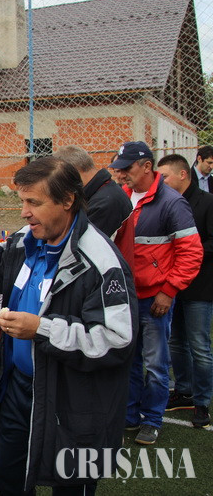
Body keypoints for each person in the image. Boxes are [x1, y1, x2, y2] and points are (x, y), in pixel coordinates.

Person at [0, 157, 137, 495]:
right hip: (20, 387)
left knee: (72, 485)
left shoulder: (101, 262)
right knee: (7, 472)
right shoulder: (29, 238)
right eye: (23, 201)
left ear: (67, 200)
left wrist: (42, 328)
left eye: (33, 202)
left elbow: (116, 339)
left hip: (73, 399)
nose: (24, 212)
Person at [110, 141, 202, 445]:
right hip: (125, 297)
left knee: (156, 365)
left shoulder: (172, 202)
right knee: (128, 360)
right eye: (118, 168)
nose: (120, 174)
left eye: (126, 168)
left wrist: (168, 290)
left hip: (154, 299)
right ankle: (129, 415)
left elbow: (191, 253)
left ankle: (152, 419)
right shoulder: (121, 198)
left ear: (147, 166)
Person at [156, 154, 213, 429]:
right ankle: (184, 390)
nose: (161, 181)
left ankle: (202, 402)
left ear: (182, 174)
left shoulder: (207, 202)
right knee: (176, 342)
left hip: (199, 287)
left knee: (199, 346)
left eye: (164, 176)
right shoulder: (165, 203)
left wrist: (186, 250)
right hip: (171, 286)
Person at [53, 146, 131, 238]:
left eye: (62, 179)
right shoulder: (99, 192)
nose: (63, 186)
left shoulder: (104, 202)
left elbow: (79, 242)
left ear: (73, 173)